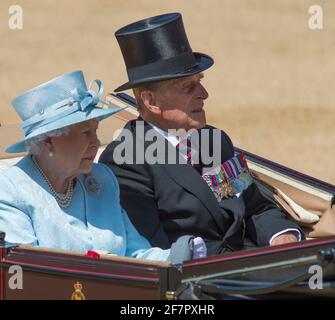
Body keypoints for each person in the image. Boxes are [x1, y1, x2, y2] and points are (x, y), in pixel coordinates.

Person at [99, 13, 304, 255]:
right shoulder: (125, 160)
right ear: (151, 101)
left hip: (252, 270)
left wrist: (282, 236)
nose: (204, 94)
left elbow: (256, 208)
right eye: (188, 87)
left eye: (200, 81)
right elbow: (154, 253)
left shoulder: (214, 140)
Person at [0, 70, 205, 262]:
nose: (96, 143)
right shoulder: (10, 192)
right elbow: (28, 272)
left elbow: (135, 253)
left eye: (95, 131)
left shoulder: (102, 179)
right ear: (49, 142)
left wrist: (175, 259)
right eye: (85, 133)